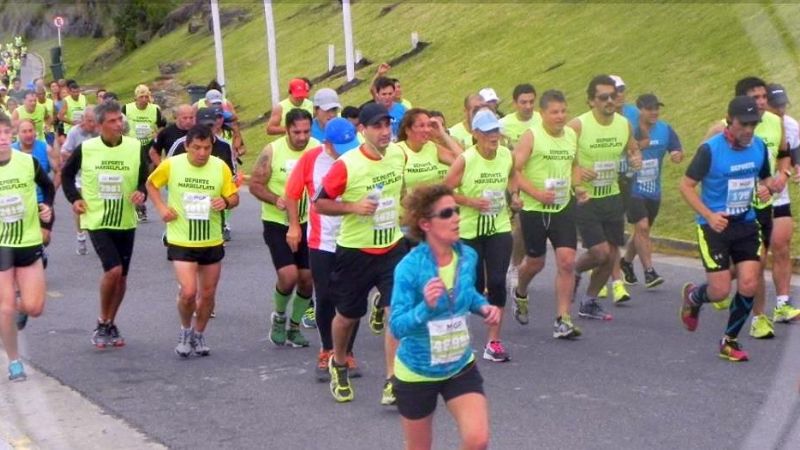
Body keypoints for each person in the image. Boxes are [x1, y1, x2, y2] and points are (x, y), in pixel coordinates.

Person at [390, 184, 500, 450]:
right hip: (418, 371)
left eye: (457, 210)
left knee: (477, 440)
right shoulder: (409, 267)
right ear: (425, 224)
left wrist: (484, 307)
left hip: (459, 365)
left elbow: (468, 294)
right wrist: (425, 308)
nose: (456, 218)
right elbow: (397, 326)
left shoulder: (467, 255)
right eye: (447, 213)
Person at [315, 103, 406, 404]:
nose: (385, 131)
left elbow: (401, 190)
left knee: (396, 313)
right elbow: (320, 203)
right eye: (377, 126)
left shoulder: (398, 154)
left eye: (387, 125)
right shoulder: (347, 165)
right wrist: (354, 207)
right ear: (362, 130)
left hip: (392, 247)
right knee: (347, 316)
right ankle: (339, 361)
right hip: (356, 251)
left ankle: (393, 380)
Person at [679, 96, 776, 362]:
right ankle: (694, 296)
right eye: (743, 124)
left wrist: (767, 187)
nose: (748, 130)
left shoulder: (758, 147)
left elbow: (765, 178)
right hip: (714, 227)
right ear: (730, 120)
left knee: (749, 281)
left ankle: (729, 341)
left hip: (746, 222)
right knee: (720, 291)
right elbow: (685, 186)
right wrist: (709, 215)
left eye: (753, 124)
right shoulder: (710, 150)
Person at [61, 101, 149, 348]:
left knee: (122, 278)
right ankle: (102, 320)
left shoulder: (134, 147)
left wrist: (141, 192)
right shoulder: (87, 149)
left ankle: (110, 322)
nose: (119, 124)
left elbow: (145, 178)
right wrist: (75, 199)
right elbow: (66, 174)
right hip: (97, 218)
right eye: (112, 121)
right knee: (113, 271)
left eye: (120, 119)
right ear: (100, 126)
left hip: (125, 219)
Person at [146, 125, 239, 357]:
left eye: (206, 148)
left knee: (207, 295)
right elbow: (151, 184)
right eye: (196, 147)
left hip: (211, 239)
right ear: (187, 146)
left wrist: (226, 202)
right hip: (181, 238)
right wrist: (161, 208)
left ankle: (199, 334)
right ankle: (185, 330)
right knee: (188, 292)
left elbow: (234, 196)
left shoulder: (220, 167)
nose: (202, 153)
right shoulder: (172, 164)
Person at [285, 117, 362, 380]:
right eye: (340, 148)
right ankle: (327, 349)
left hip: (354, 238)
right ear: (327, 144)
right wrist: (293, 226)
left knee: (351, 297)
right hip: (322, 240)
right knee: (326, 296)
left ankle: (347, 352)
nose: (345, 153)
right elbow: (292, 193)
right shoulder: (312, 159)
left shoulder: (360, 155)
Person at [444, 108, 519, 362]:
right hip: (469, 232)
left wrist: (514, 196)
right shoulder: (466, 160)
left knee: (497, 282)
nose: (493, 136)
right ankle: (457, 332)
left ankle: (493, 342)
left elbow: (512, 176)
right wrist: (470, 201)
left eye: (496, 130)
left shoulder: (506, 155)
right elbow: (445, 189)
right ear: (476, 134)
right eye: (487, 132)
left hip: (499, 227)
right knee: (472, 286)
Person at [568, 75, 641, 319]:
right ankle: (574, 271)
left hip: (612, 195)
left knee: (611, 257)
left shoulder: (623, 124)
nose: (610, 101)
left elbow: (633, 148)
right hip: (585, 197)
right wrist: (577, 171)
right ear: (591, 101)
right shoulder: (577, 125)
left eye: (613, 96)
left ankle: (589, 302)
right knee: (599, 252)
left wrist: (635, 158)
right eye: (603, 97)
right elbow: (560, 157)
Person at [511, 90, 582, 338]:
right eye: (554, 112)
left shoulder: (571, 135)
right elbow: (514, 171)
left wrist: (578, 186)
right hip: (535, 209)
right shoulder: (531, 136)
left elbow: (574, 165)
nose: (560, 116)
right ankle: (520, 291)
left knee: (567, 261)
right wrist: (537, 194)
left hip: (563, 206)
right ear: (542, 114)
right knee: (535, 263)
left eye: (563, 111)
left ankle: (563, 319)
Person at [250, 109, 319, 348]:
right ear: (287, 130)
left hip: (308, 222)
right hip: (277, 222)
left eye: (306, 131)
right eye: (296, 132)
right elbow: (255, 185)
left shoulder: (318, 149)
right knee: (289, 276)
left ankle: (295, 326)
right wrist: (275, 199)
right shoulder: (272, 151)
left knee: (307, 279)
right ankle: (279, 317)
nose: (302, 137)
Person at [0, 112, 55, 381]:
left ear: (10, 134)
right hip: (1, 244)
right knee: (6, 307)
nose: (1, 139)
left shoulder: (27, 162)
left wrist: (47, 213)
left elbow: (48, 189)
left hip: (29, 240)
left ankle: (13, 310)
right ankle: (14, 362)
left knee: (34, 307)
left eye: (4, 133)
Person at [616, 94, 683, 288]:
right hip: (632, 187)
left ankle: (626, 262)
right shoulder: (630, 129)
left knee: (642, 231)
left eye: (656, 108)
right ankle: (649, 272)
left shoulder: (665, 129)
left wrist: (677, 155)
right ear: (639, 111)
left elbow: (677, 149)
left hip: (653, 189)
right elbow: (617, 153)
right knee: (642, 227)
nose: (654, 112)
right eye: (649, 109)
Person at [764, 83, 800, 323]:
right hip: (754, 199)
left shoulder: (791, 125)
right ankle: (708, 290)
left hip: (780, 197)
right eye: (775, 105)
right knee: (752, 260)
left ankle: (782, 304)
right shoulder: (754, 126)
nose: (780, 109)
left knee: (782, 247)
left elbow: (795, 154)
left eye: (783, 104)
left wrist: (797, 168)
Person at [12, 119, 61, 254]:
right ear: (17, 134)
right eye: (24, 131)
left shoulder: (45, 149)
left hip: (41, 202)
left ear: (35, 132)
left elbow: (58, 171)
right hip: (19, 203)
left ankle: (39, 252)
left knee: (44, 238)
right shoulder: (10, 151)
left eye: (30, 131)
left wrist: (50, 193)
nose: (28, 134)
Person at [123, 84, 167, 223]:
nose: (144, 99)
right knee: (132, 175)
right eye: (141, 97)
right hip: (131, 146)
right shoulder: (126, 108)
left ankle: (140, 203)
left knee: (146, 177)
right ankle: (137, 204)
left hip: (148, 146)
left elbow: (162, 125)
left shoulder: (155, 109)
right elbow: (120, 125)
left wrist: (157, 135)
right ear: (135, 98)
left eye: (146, 96)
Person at [397, 108, 462, 195]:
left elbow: (463, 160)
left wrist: (442, 134)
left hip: (433, 201)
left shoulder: (431, 147)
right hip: (411, 202)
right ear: (407, 130)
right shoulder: (398, 150)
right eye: (421, 126)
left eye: (428, 125)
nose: (427, 130)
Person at [61, 107, 98, 255]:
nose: (93, 124)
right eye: (89, 121)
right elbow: (64, 152)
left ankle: (100, 238)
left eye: (95, 121)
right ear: (83, 120)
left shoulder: (100, 131)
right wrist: (78, 159)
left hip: (97, 177)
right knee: (80, 206)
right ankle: (81, 237)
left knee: (96, 207)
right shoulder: (74, 132)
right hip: (79, 177)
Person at [369, 76, 407, 141]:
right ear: (377, 95)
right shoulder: (372, 113)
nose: (387, 97)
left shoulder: (402, 109)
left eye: (390, 94)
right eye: (384, 94)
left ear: (394, 93)